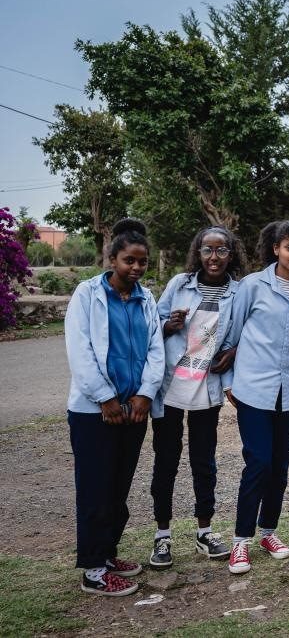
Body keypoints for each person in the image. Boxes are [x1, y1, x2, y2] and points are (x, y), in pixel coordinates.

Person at [65, 218, 164, 596]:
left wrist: (145, 394)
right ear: (112, 259)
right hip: (95, 412)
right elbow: (80, 350)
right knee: (96, 488)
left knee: (118, 488)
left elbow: (155, 349)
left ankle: (106, 554)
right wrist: (104, 398)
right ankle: (93, 570)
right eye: (129, 260)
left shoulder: (145, 298)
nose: (136, 267)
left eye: (142, 261)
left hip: (133, 410)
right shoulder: (87, 294)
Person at [223, 220, 289, 575]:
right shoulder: (252, 286)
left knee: (279, 467)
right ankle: (240, 541)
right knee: (259, 463)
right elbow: (230, 336)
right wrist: (229, 383)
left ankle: (268, 532)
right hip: (253, 389)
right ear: (276, 248)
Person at [149, 226, 245, 569]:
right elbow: (153, 324)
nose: (214, 257)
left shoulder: (239, 291)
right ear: (198, 253)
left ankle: (205, 532)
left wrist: (234, 352)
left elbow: (243, 334)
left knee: (204, 462)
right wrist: (168, 325)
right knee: (166, 461)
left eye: (221, 250)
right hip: (170, 386)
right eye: (207, 250)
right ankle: (162, 536)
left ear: (231, 254)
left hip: (206, 385)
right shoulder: (179, 284)